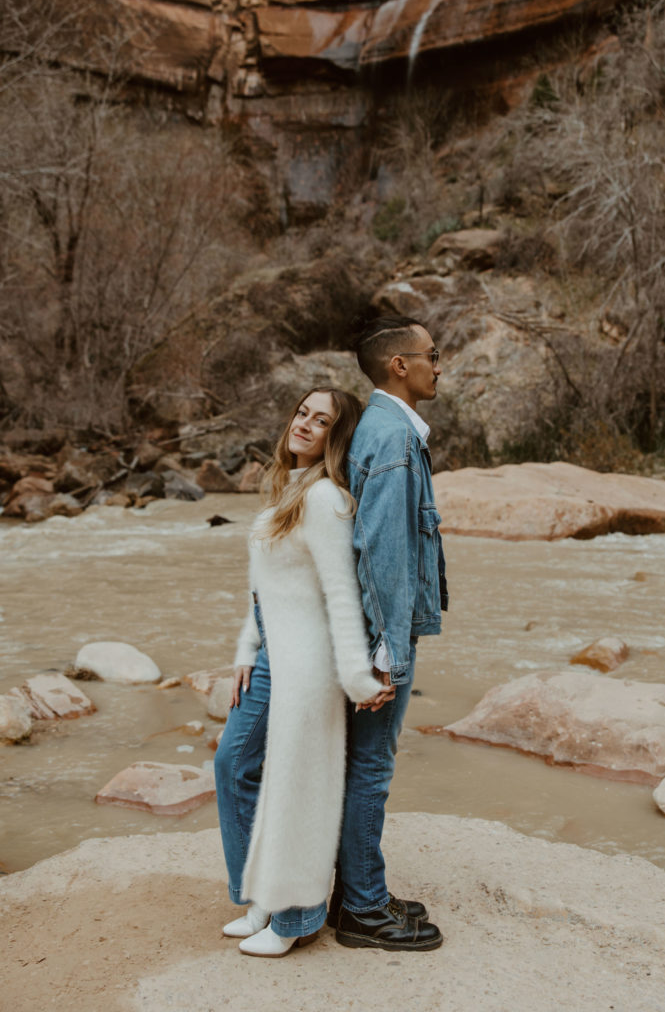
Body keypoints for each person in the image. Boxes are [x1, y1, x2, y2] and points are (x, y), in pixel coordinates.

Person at [214, 387, 387, 958]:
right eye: (302, 413)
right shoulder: (286, 492)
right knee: (234, 765)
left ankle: (297, 919)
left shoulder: (326, 501)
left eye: (323, 421)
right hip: (271, 659)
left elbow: (342, 596)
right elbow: (265, 590)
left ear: (337, 438)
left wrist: (358, 679)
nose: (306, 425)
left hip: (308, 665)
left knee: (296, 785)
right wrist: (245, 649)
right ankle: (262, 895)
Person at [330, 315, 449, 952]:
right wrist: (387, 653)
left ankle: (357, 891)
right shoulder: (392, 438)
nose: (440, 363)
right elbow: (381, 549)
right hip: (382, 634)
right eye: (432, 354)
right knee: (371, 767)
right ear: (399, 365)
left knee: (361, 764)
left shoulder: (383, 430)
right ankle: (363, 911)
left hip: (377, 628)